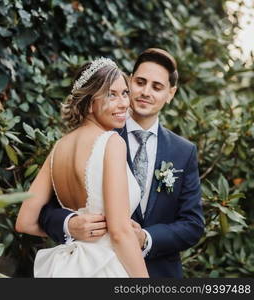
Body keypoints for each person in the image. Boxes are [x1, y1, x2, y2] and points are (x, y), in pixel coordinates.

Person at [38, 48, 205, 278]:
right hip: (95, 266)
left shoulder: (183, 151)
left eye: (157, 87)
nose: (146, 92)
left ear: (171, 93)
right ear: (129, 81)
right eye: (140, 82)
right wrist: (69, 224)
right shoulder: (100, 137)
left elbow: (193, 224)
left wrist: (146, 238)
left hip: (160, 272)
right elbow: (47, 208)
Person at [15, 57, 149, 277]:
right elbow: (120, 232)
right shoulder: (112, 143)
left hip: (67, 268)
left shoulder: (59, 147)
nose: (124, 103)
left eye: (125, 93)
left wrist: (69, 229)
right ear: (89, 103)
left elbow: (25, 222)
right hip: (105, 266)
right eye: (111, 95)